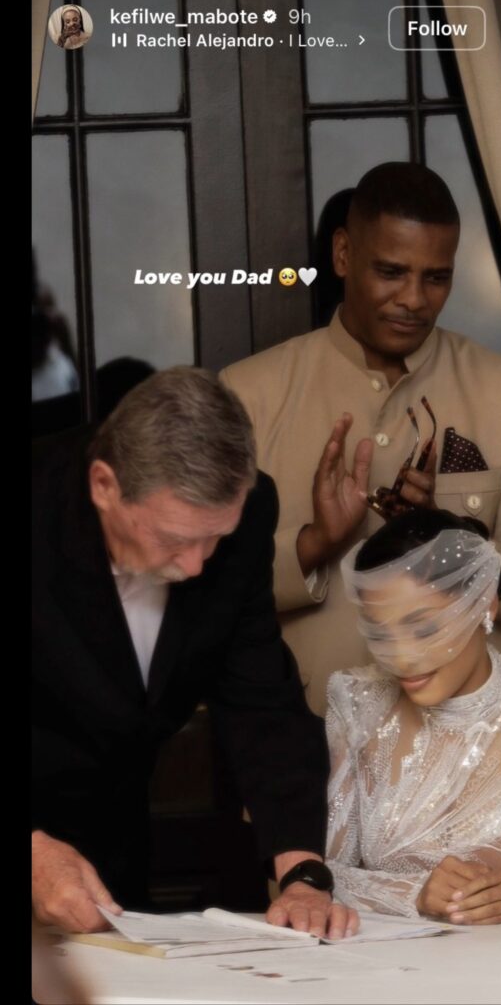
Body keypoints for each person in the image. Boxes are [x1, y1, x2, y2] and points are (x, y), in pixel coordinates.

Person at [222, 162, 501, 716]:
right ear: (343, 254)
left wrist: (450, 544)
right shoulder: (249, 394)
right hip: (301, 739)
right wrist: (313, 544)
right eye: (391, 271)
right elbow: (211, 592)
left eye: (436, 278)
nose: (414, 299)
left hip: (464, 746)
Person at [32, 366, 357, 939]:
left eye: (216, 538)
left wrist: (303, 873)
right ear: (104, 486)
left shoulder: (249, 514)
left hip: (112, 848)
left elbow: (261, 700)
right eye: (175, 540)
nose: (195, 566)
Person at [325, 507, 501, 922]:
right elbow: (320, 879)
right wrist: (413, 895)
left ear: (484, 605)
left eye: (424, 628)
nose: (402, 657)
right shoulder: (357, 704)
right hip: (383, 961)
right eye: (382, 633)